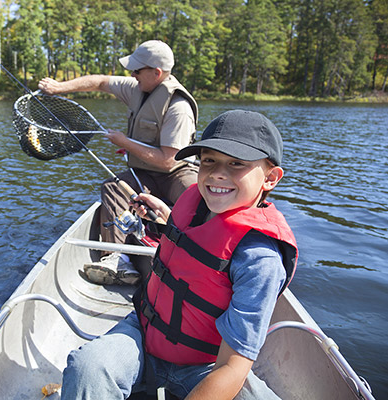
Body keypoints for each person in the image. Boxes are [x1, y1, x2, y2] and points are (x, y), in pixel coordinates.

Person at [59, 110, 299, 399]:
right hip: (145, 334)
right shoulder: (195, 204)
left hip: (207, 363)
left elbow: (232, 367)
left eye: (237, 163)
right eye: (209, 160)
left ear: (271, 178)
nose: (218, 173)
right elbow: (193, 251)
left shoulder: (261, 260)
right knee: (88, 368)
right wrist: (165, 218)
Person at [38, 40, 199, 286]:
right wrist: (60, 88)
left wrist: (125, 142)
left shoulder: (179, 107)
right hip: (144, 172)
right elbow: (101, 82)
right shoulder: (137, 87)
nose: (132, 75)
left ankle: (201, 256)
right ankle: (116, 259)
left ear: (156, 73)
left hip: (177, 171)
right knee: (113, 187)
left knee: (197, 197)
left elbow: (168, 161)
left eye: (137, 70)